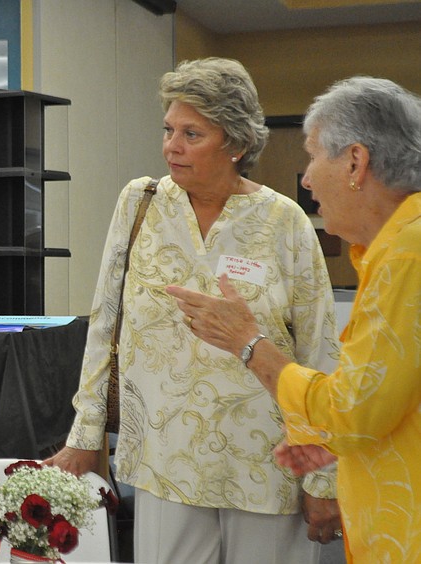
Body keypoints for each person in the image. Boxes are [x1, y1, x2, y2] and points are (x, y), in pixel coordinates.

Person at [45, 57, 342, 563]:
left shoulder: (283, 221)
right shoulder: (139, 203)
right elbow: (104, 327)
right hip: (164, 458)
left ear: (237, 144)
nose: (171, 146)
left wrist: (323, 477)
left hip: (266, 463)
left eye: (192, 133)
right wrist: (84, 436)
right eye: (168, 130)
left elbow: (319, 351)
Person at [167, 76, 421, 563]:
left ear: (355, 161)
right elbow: (382, 404)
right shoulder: (394, 248)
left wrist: (248, 344)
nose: (305, 178)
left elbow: (354, 413)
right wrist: (331, 445)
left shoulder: (405, 258)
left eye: (311, 156)